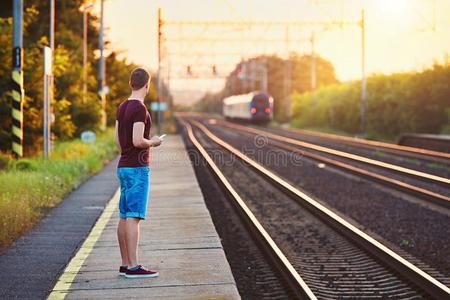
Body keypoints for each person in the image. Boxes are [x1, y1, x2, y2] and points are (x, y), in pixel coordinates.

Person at [114, 67, 162, 278]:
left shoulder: (122, 107)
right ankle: (134, 267)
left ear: (130, 83)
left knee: (124, 216)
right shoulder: (139, 109)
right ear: (147, 85)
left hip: (123, 166)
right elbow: (137, 140)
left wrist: (126, 152)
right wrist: (154, 142)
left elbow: (118, 140)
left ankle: (125, 264)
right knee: (134, 217)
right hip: (137, 168)